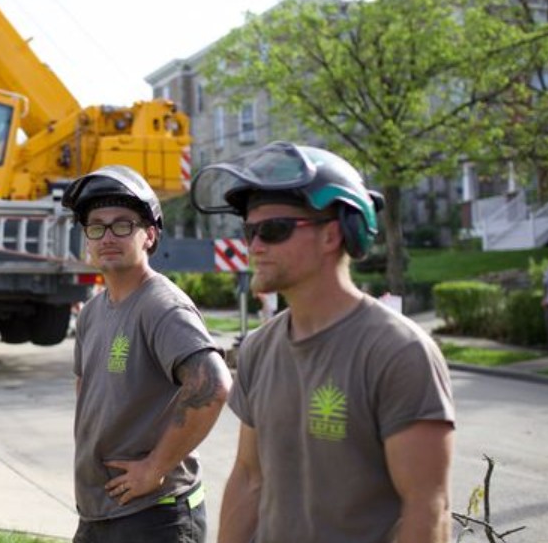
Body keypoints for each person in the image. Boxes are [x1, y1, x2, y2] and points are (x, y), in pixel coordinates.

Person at [190, 141, 456, 543]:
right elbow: (249, 478)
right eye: (249, 230)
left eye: (274, 230)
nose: (255, 245)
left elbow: (427, 507)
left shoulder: (398, 352)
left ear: (332, 235)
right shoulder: (260, 348)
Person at [61, 165, 231, 543]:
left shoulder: (161, 306)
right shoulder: (91, 312)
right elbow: (86, 390)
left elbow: (214, 384)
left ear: (149, 235)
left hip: (155, 516)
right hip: (101, 512)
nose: (108, 235)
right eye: (96, 226)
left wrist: (156, 466)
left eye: (123, 225)